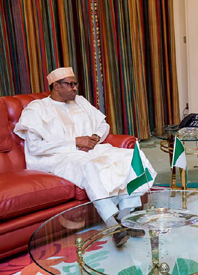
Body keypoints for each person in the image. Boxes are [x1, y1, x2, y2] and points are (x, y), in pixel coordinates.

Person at [14, 67, 156, 246]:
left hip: (90, 150)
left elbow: (102, 124)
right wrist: (74, 142)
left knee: (133, 157)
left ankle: (125, 217)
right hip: (57, 157)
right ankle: (112, 226)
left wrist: (96, 136)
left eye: (76, 84)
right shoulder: (37, 108)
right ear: (56, 86)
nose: (75, 88)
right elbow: (35, 147)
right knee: (89, 166)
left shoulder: (80, 102)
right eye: (70, 84)